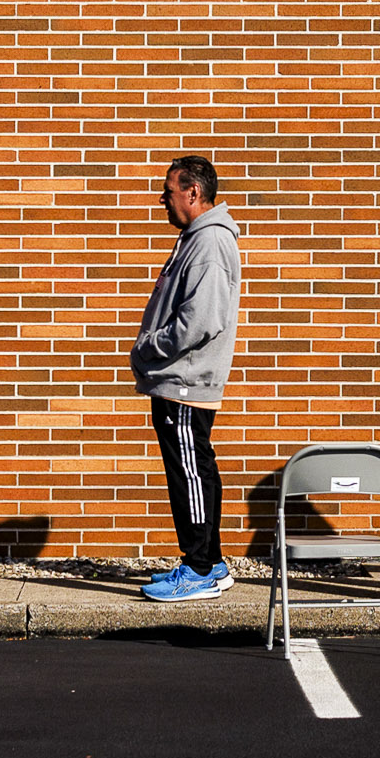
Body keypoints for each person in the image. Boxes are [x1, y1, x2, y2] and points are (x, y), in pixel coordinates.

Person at [128, 156, 241, 603]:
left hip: (185, 381)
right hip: (182, 379)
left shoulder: (209, 242)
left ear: (193, 192)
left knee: (190, 473)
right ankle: (209, 561)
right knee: (195, 470)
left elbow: (202, 319)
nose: (162, 198)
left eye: (168, 190)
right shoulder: (198, 239)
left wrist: (150, 346)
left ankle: (198, 568)